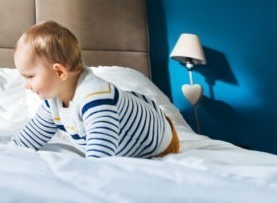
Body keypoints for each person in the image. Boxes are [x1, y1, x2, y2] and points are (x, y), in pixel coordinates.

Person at [12, 20, 180, 158]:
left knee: (114, 104)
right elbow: (26, 140)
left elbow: (99, 158)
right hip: (123, 120)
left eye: (30, 76)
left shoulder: (96, 100)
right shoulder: (53, 102)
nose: (26, 85)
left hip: (160, 141)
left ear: (59, 72)